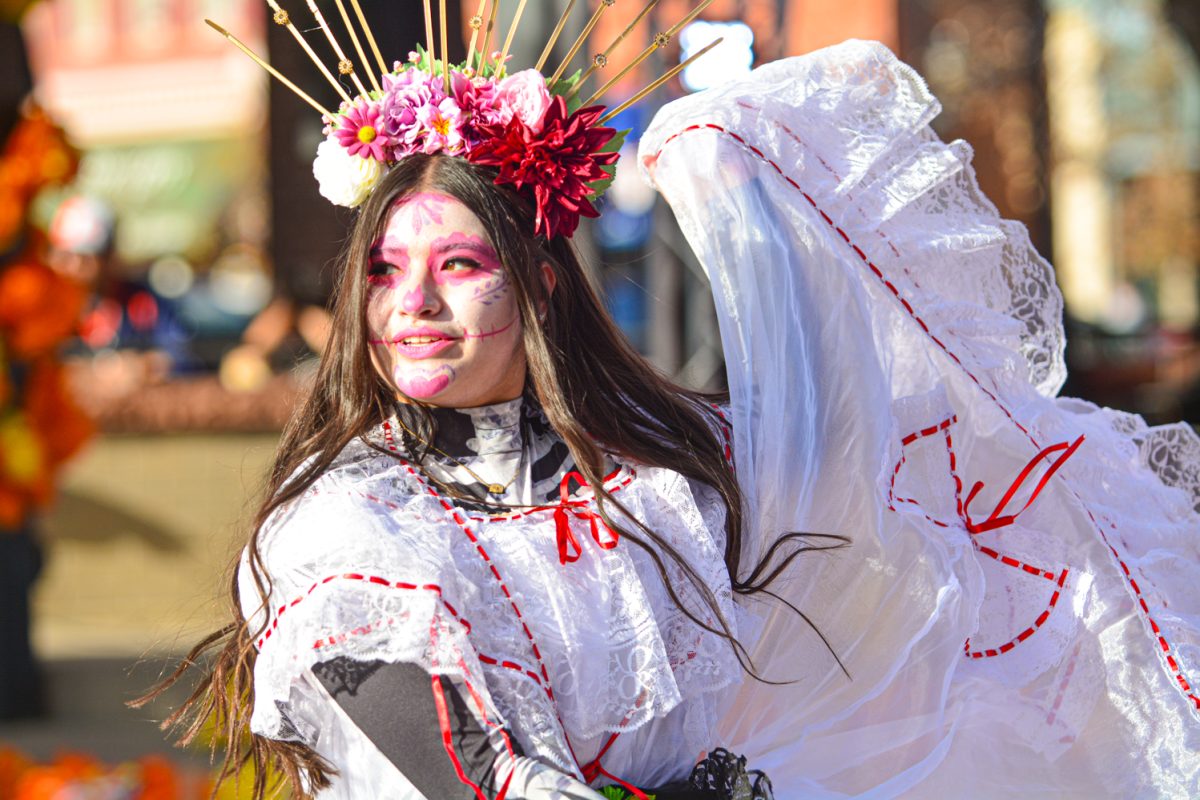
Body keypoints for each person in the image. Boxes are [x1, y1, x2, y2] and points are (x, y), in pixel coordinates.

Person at [147, 12, 1200, 799]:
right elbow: (468, 778)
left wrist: (747, 184)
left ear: (540, 280)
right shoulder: (345, 528)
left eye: (459, 264)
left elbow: (875, 489)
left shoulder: (666, 473)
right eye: (382, 270)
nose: (412, 303)